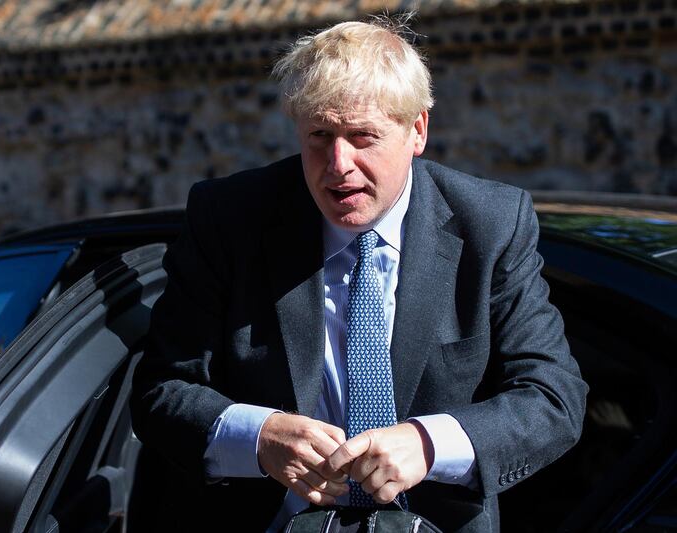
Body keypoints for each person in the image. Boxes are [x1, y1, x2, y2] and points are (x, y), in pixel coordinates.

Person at [130, 16, 588, 532]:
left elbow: (552, 398)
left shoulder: (491, 225)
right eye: (320, 136)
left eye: (363, 136)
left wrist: (426, 443)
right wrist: (258, 438)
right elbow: (162, 392)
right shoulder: (230, 219)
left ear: (417, 130)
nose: (338, 164)